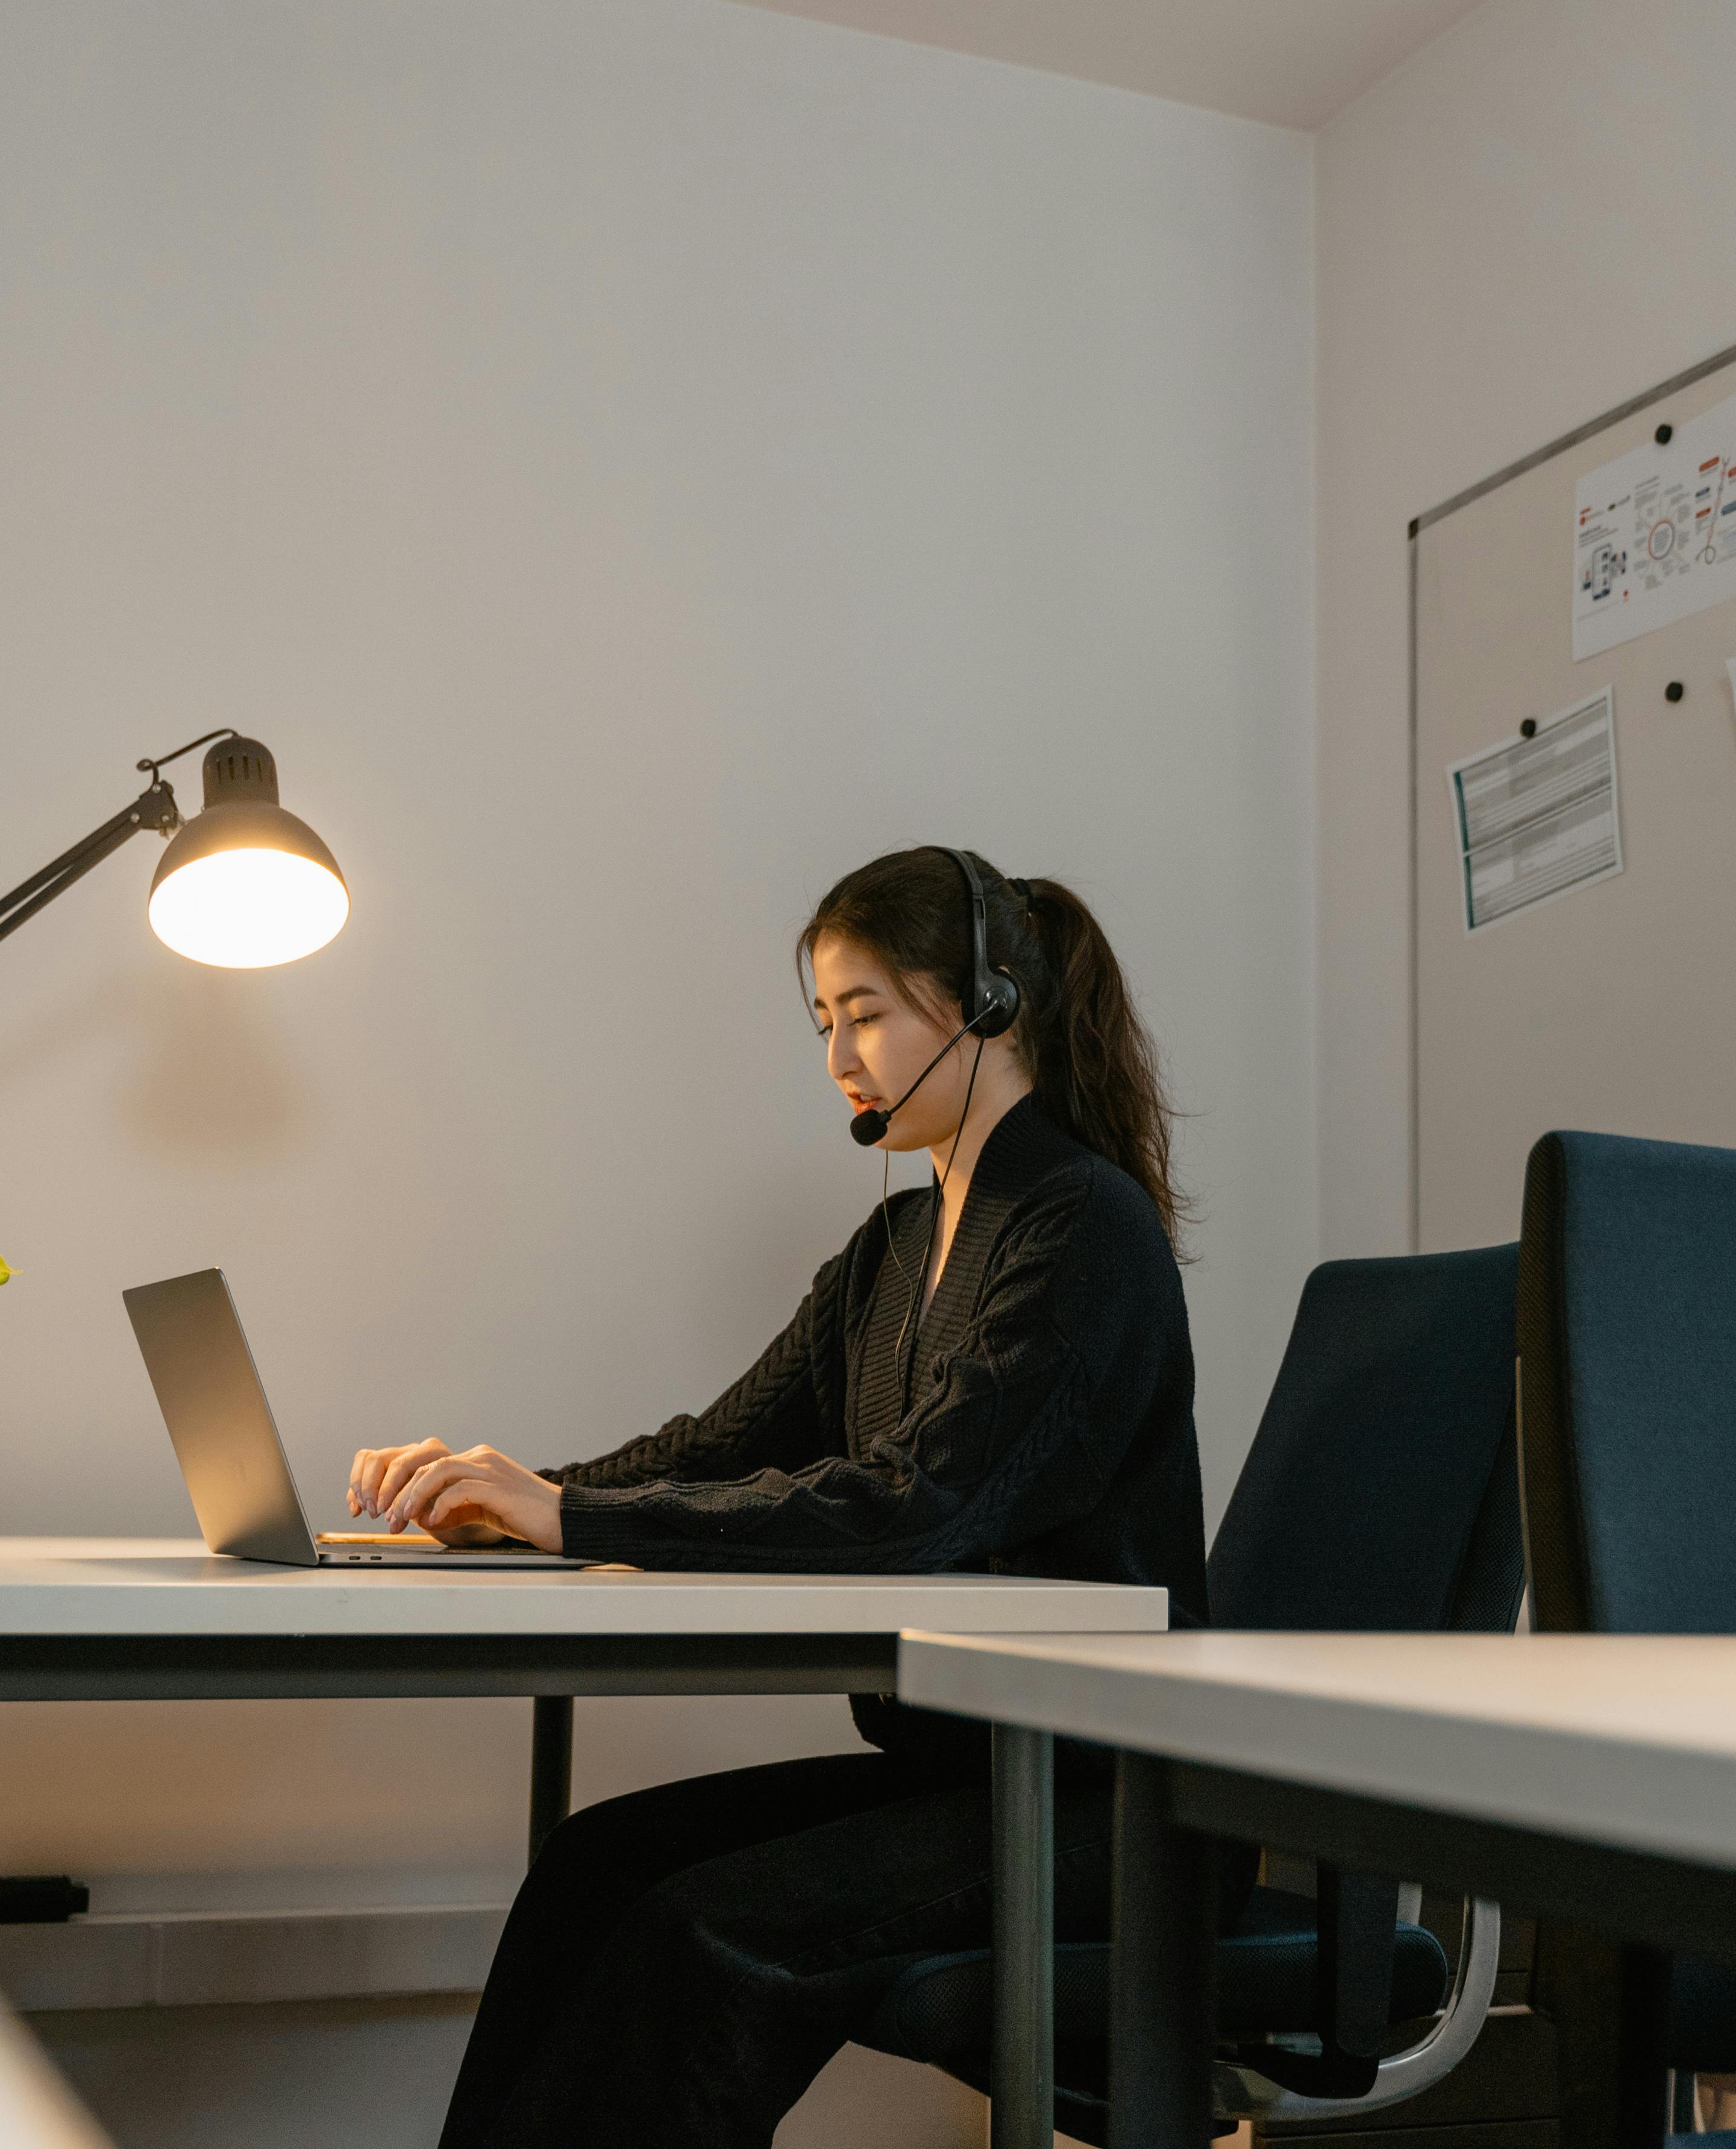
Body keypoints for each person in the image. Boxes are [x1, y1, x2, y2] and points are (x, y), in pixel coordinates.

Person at [346, 845, 1208, 2149]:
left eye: (865, 1012)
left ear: (984, 1000)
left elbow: (916, 1507)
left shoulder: (1082, 1230)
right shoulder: (893, 1248)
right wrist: (515, 1491)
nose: (837, 1055)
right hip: (967, 1780)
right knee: (593, 1869)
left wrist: (571, 1521)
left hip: (1104, 1810)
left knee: (696, 1933)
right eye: (825, 1022)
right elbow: (721, 1442)